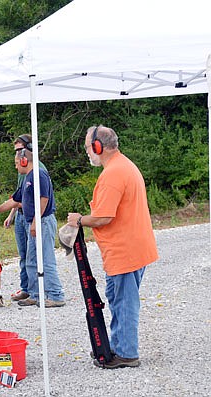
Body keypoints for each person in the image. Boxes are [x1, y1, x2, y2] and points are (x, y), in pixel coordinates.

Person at [66, 125, 158, 369]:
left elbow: (104, 217)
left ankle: (126, 353)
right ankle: (118, 347)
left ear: (98, 146)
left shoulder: (113, 174)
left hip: (125, 250)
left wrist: (78, 219)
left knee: (124, 302)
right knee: (120, 299)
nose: (87, 152)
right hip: (132, 246)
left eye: (88, 147)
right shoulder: (122, 165)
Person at [0, 147, 65, 308]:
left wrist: (34, 222)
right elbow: (15, 200)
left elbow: (43, 199)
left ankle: (56, 294)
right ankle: (35, 294)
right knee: (32, 260)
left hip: (43, 221)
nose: (16, 166)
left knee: (45, 259)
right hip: (36, 221)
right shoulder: (27, 178)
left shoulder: (39, 175)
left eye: (17, 163)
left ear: (25, 161)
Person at [4, 134, 48, 303]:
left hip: (31, 215)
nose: (18, 154)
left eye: (20, 150)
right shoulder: (22, 171)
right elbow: (18, 195)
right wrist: (11, 215)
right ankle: (26, 289)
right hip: (21, 215)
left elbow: (41, 198)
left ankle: (37, 292)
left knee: (32, 257)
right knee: (24, 255)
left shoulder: (37, 169)